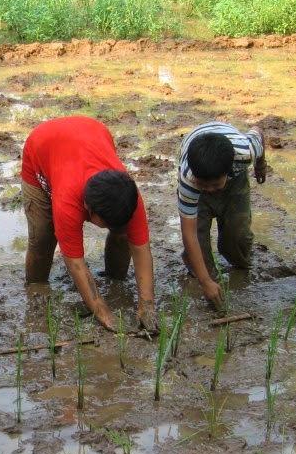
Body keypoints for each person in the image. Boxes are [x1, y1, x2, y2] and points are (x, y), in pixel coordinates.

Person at [21, 116, 158, 333]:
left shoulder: (129, 196)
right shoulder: (68, 201)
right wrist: (104, 314)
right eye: (106, 225)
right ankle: (36, 290)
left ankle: (116, 279)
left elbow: (141, 249)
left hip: (90, 133)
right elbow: (75, 263)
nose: (111, 228)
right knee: (43, 238)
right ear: (88, 208)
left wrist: (147, 306)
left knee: (123, 233)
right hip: (41, 148)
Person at [176, 121, 267, 310]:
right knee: (199, 244)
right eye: (204, 185)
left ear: (229, 170)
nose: (210, 190)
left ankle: (240, 263)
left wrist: (261, 164)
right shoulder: (189, 178)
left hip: (234, 182)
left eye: (215, 185)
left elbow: (258, 131)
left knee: (238, 232)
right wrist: (205, 281)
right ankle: (200, 271)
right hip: (199, 179)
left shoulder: (245, 152)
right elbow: (189, 233)